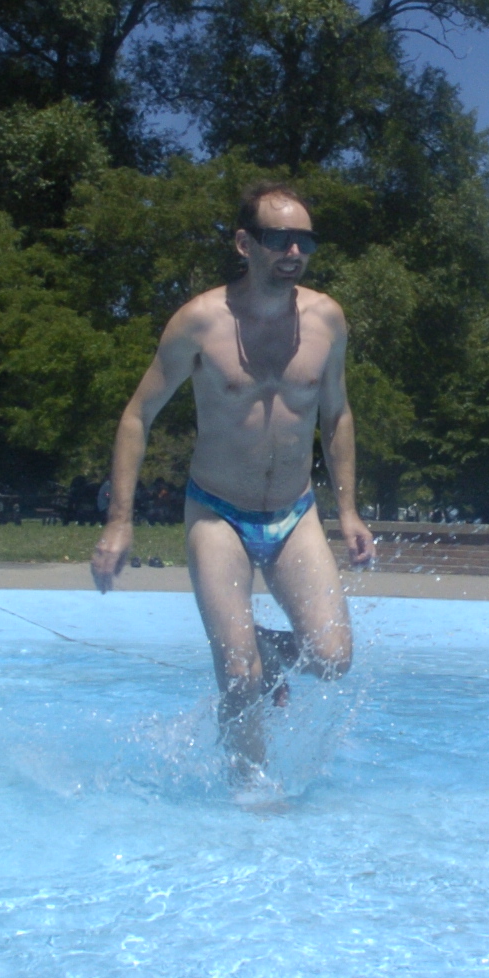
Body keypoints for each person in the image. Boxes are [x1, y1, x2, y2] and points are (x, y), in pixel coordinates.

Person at [91, 183, 375, 782]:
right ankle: (251, 789)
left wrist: (348, 511)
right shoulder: (200, 322)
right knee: (240, 676)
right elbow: (137, 416)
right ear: (245, 244)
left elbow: (337, 414)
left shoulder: (327, 320)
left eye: (305, 241)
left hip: (295, 512)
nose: (294, 252)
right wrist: (119, 522)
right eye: (280, 239)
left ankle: (267, 647)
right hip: (217, 511)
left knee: (332, 660)